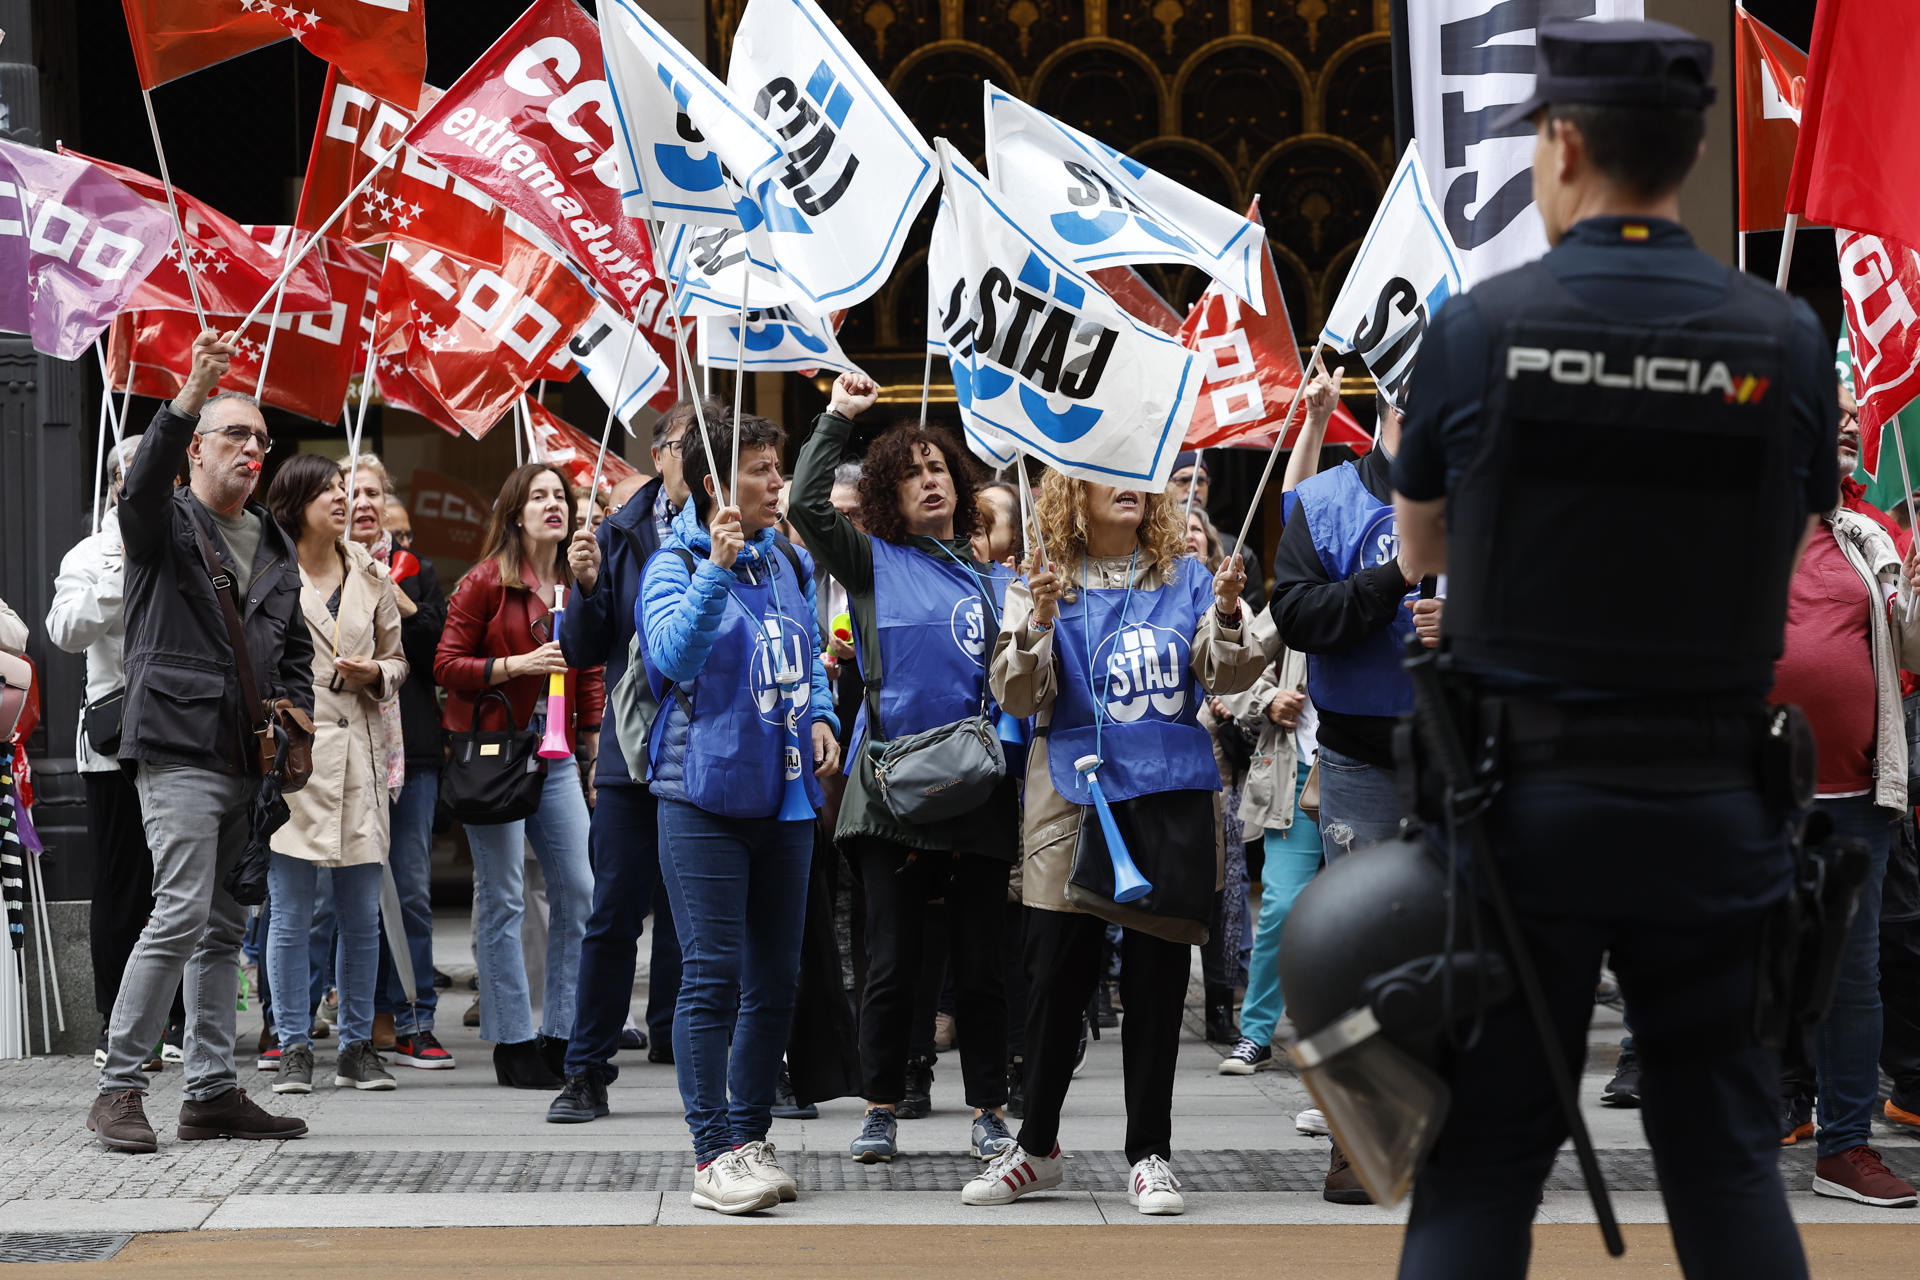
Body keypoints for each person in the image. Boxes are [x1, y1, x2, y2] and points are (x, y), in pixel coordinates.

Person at [1387, 19, 1851, 1274]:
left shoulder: (1481, 329)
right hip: (1715, 802)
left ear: (1565, 143)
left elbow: (1418, 547)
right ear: (1692, 146)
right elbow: (1803, 516)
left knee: (1481, 1165)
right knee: (1726, 1160)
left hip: (1519, 812)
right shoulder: (1785, 338)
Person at [976, 469, 1261, 1215]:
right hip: (1070, 803)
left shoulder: (1192, 578)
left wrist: (1229, 615)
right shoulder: (1038, 578)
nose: (1129, 487)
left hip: (1166, 800)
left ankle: (1151, 1154)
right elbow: (1013, 694)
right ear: (1074, 492)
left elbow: (1230, 671)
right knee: (1053, 982)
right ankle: (1036, 1147)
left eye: (1139, 476)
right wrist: (1036, 624)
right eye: (1110, 476)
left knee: (1158, 984)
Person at [88, 330, 312, 1153]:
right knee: (180, 912)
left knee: (223, 929)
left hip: (247, 760)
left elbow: (291, 649)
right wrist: (188, 394)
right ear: (195, 450)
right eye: (236, 434)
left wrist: (294, 719)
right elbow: (139, 486)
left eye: (261, 437)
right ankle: (118, 1085)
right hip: (178, 746)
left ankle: (212, 1090)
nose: (254, 447)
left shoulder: (276, 540)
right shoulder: (163, 519)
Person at [791, 374, 1022, 1166]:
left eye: (939, 468)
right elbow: (806, 508)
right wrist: (836, 419)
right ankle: (881, 1105)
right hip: (889, 790)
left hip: (979, 791)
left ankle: (990, 1108)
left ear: (961, 486)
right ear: (890, 495)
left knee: (985, 965)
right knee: (891, 960)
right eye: (910, 472)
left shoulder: (1002, 580)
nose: (930, 480)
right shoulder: (871, 560)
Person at [639, 409, 839, 1215]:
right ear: (718, 481)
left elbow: (807, 653)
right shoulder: (673, 560)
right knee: (712, 978)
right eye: (759, 469)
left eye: (776, 468)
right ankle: (711, 1153)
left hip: (785, 796)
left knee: (775, 983)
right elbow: (670, 659)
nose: (775, 484)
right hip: (701, 796)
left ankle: (751, 1137)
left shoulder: (787, 560)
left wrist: (823, 714)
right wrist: (712, 570)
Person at [1770, 454, 1920, 1203]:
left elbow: (1910, 652)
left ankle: (1847, 1149)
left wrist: (1919, 599)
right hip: (1751, 797)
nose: (1837, 441)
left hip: (1856, 797)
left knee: (1853, 982)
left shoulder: (1871, 540)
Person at [545, 405, 697, 1123]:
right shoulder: (619, 530)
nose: (697, 458)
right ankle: (585, 1070)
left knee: (712, 916)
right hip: (635, 752)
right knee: (611, 916)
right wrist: (584, 586)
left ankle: (741, 1061)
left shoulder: (742, 526)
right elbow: (582, 648)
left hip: (714, 752)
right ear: (662, 453)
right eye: (686, 446)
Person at [434, 463, 601, 1090]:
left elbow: (585, 666)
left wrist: (589, 747)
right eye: (540, 497)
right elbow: (446, 665)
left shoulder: (576, 579)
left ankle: (562, 1033)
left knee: (579, 890)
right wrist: (515, 664)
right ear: (515, 511)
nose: (553, 505)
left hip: (556, 753)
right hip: (495, 750)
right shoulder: (485, 582)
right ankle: (512, 1039)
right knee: (502, 896)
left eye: (561, 496)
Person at [261, 454, 408, 1094]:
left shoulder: (371, 574)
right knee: (290, 915)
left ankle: (356, 1046)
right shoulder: (267, 575)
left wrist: (376, 673)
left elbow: (400, 661)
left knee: (360, 914)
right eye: (329, 490)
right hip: (294, 758)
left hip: (362, 756)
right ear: (295, 502)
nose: (343, 499)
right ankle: (293, 1044)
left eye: (345, 489)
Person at [46, 435, 187, 1069]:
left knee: (182, 883)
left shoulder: (193, 539)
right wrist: (121, 569)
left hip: (186, 735)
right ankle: (116, 1024)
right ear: (116, 488)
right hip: (116, 741)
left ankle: (180, 1021)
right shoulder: (90, 552)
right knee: (125, 884)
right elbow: (65, 632)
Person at [347, 455, 452, 1069]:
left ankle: (415, 1018)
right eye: (351, 491)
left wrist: (398, 596)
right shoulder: (321, 570)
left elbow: (438, 649)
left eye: (373, 492)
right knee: (350, 893)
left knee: (409, 888)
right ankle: (353, 1019)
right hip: (346, 748)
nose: (363, 502)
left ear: (387, 504)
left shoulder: (419, 571)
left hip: (409, 747)